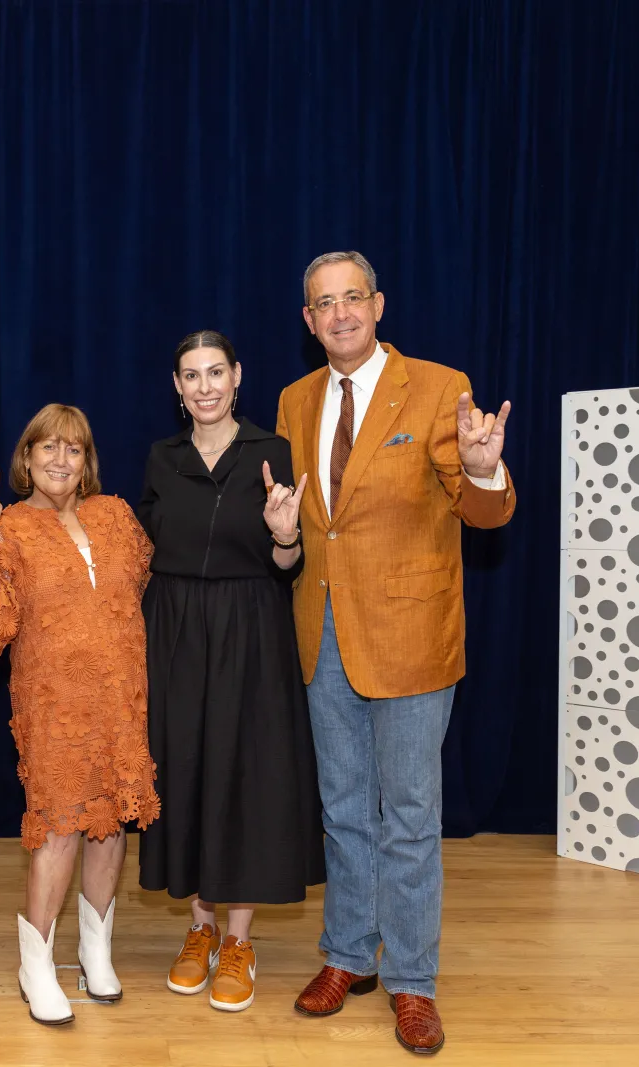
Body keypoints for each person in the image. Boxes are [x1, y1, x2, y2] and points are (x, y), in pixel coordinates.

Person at [277, 252, 515, 1056]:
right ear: (308, 321)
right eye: (323, 303)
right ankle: (349, 955)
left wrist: (483, 471)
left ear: (378, 304)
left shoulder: (442, 387)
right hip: (324, 631)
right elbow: (305, 520)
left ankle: (413, 981)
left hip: (412, 636)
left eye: (352, 298)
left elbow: (485, 510)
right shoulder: (294, 399)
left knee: (410, 816)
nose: (339, 313)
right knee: (343, 810)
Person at [0, 403, 159, 1026]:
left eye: (73, 449)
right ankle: (35, 964)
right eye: (48, 448)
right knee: (61, 826)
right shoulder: (9, 526)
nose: (60, 459)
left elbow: (138, 588)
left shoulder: (116, 516)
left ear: (87, 460)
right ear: (27, 458)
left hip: (121, 700)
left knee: (113, 824)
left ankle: (96, 951)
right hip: (54, 704)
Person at [136, 330, 324, 1014]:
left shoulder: (272, 453)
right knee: (184, 769)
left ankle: (239, 940)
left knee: (244, 774)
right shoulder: (162, 458)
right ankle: (199, 926)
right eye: (192, 374)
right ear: (177, 386)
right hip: (177, 631)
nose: (206, 385)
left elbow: (288, 566)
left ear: (238, 376)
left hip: (251, 628)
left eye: (217, 371)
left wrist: (283, 533)